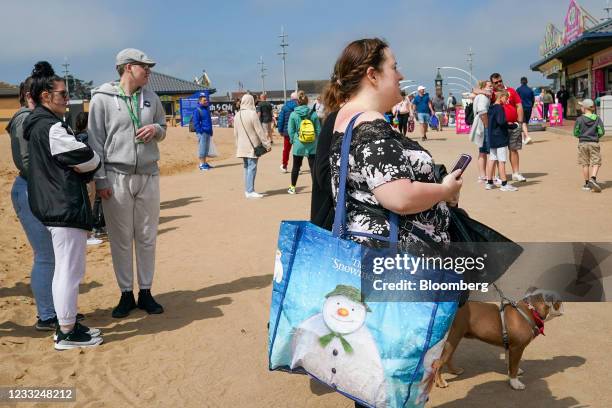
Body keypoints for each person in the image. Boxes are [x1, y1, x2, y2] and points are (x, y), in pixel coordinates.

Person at [323, 38, 463, 408]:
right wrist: (443, 188)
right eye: (394, 67)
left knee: (373, 378)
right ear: (372, 75)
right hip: (396, 270)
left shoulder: (344, 120)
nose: (400, 75)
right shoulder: (371, 126)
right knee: (394, 379)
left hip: (368, 266)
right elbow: (396, 196)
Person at [23, 61, 102, 349]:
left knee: (66, 269)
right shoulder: (51, 127)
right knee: (69, 270)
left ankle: (65, 325)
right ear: (46, 97)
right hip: (62, 205)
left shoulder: (41, 125)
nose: (67, 99)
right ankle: (66, 331)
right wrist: (91, 162)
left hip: (55, 204)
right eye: (62, 94)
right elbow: (88, 158)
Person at [88, 48, 166, 318]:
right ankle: (125, 293)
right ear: (128, 67)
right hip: (115, 176)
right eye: (145, 66)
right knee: (121, 239)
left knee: (147, 236)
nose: (149, 71)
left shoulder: (151, 97)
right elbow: (95, 141)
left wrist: (156, 130)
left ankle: (145, 291)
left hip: (148, 175)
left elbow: (163, 127)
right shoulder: (102, 99)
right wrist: (100, 180)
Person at [7, 75, 58, 331]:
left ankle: (55, 309)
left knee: (52, 255)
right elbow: (28, 163)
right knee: (46, 256)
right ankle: (47, 315)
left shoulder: (29, 119)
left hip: (35, 189)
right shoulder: (25, 120)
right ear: (31, 96)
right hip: (30, 191)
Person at [490, 73, 527, 183]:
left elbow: (519, 105)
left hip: (514, 125)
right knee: (498, 151)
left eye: (500, 81)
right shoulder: (491, 94)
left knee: (513, 149)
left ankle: (515, 173)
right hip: (499, 127)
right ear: (492, 83)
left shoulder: (511, 90)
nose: (499, 83)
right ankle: (500, 175)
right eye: (496, 82)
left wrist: (520, 122)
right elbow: (475, 91)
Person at [234, 94, 272, 198]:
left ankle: (248, 189)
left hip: (242, 146)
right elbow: (259, 131)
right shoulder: (252, 114)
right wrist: (267, 144)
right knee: (252, 167)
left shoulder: (237, 115)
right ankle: (250, 191)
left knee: (246, 167)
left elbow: (235, 133)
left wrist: (237, 145)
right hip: (252, 145)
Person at [287, 90, 321, 194]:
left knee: (296, 166)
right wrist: (317, 141)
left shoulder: (293, 114)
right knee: (313, 167)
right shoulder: (313, 114)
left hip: (299, 143)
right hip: (312, 143)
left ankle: (292, 187)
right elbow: (318, 130)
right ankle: (315, 188)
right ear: (307, 102)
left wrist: (293, 140)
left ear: (297, 102)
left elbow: (291, 130)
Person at [485, 90, 517, 192]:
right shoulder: (499, 108)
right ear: (501, 96)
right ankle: (504, 184)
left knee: (492, 159)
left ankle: (489, 182)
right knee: (502, 160)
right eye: (506, 98)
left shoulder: (491, 107)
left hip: (492, 137)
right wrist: (512, 125)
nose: (506, 100)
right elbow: (501, 121)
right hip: (500, 137)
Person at [574, 99, 604, 192]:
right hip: (594, 143)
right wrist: (596, 136)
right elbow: (601, 131)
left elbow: (575, 132)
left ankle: (587, 184)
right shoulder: (597, 118)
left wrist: (580, 136)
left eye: (581, 106)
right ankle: (593, 178)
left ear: (584, 108)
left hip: (582, 143)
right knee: (596, 162)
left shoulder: (579, 119)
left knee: (585, 163)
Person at [470, 80, 493, 183]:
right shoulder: (483, 97)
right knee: (489, 152)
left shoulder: (481, 96)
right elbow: (482, 111)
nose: (491, 87)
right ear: (483, 88)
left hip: (480, 124)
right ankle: (489, 176)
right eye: (489, 86)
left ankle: (482, 176)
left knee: (482, 152)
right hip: (483, 125)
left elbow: (474, 91)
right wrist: (487, 125)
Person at [277, 92, 298, 173]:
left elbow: (281, 120)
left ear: (291, 98)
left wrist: (280, 130)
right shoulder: (299, 107)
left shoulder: (285, 107)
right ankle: (297, 167)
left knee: (286, 150)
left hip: (287, 132)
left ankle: (284, 166)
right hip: (297, 132)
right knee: (297, 150)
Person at [192, 92, 214, 171]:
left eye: (206, 100)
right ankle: (201, 164)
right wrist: (200, 131)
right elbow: (196, 122)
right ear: (200, 101)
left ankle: (204, 163)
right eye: (204, 100)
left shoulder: (206, 109)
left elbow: (209, 121)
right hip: (202, 132)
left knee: (206, 148)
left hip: (208, 131)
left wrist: (211, 131)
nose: (206, 101)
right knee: (202, 148)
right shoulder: (197, 110)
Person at [516, 77, 534, 145]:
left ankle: (527, 136)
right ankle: (524, 139)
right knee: (526, 122)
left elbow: (516, 99)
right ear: (527, 82)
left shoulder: (518, 90)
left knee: (523, 122)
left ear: (521, 82)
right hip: (529, 107)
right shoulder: (530, 90)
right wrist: (531, 105)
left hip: (522, 107)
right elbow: (533, 99)